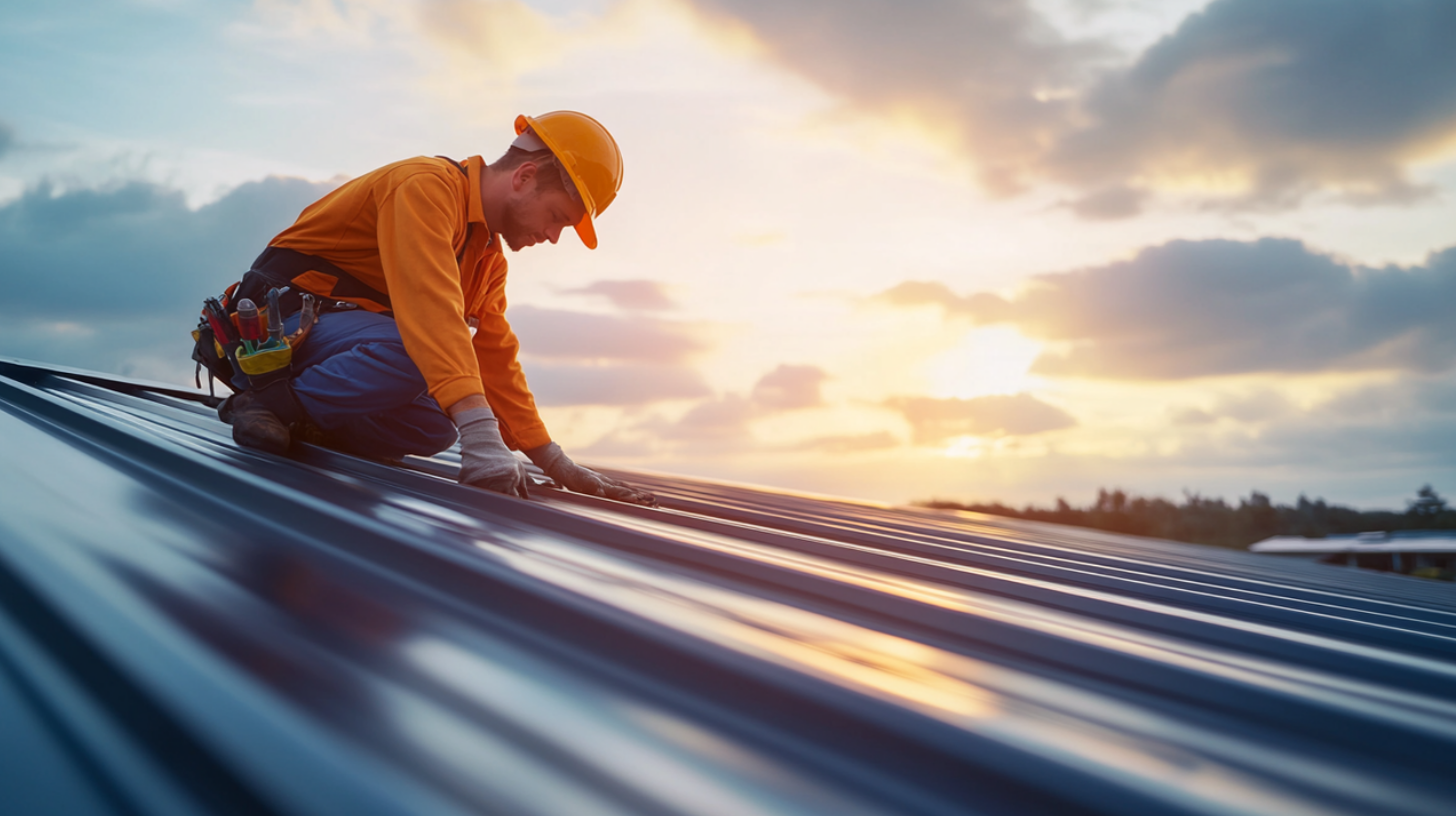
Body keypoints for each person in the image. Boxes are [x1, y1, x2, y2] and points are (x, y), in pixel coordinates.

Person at [215, 111, 656, 506]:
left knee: (435, 425)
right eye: (558, 215)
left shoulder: (487, 259)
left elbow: (494, 358)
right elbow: (430, 311)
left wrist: (551, 459)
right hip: (277, 340)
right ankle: (266, 405)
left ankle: (305, 421)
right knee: (418, 355)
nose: (554, 235)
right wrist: (481, 434)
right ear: (523, 177)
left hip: (335, 347)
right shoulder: (426, 187)